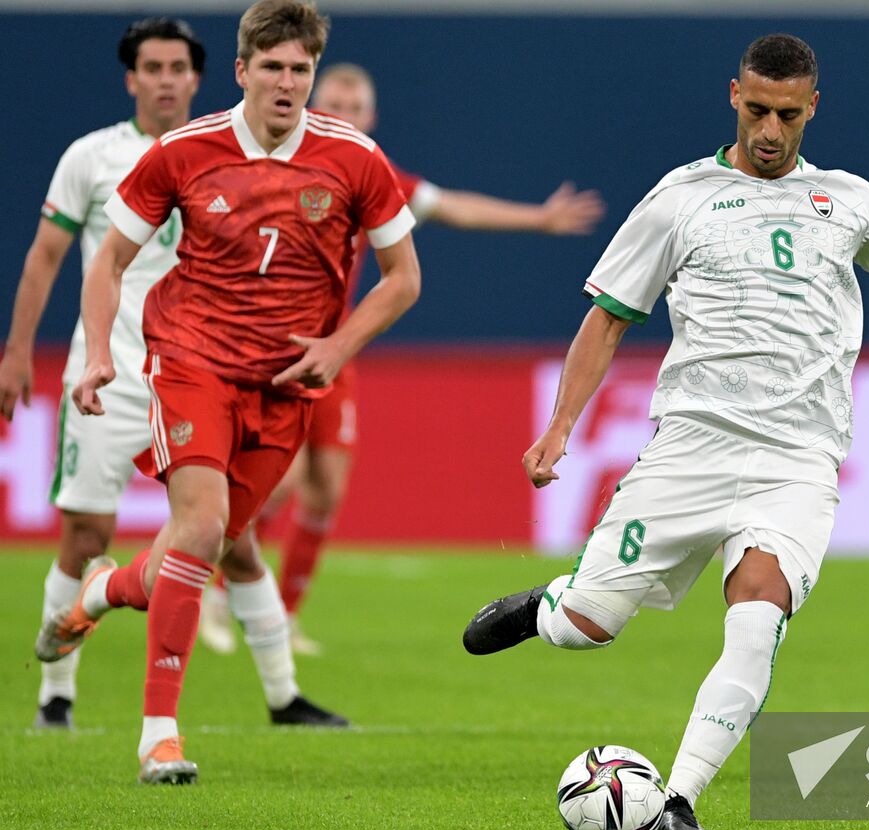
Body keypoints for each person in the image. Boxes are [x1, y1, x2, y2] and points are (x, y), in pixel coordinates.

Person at [462, 34, 869, 830]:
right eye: (755, 110)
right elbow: (609, 318)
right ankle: (549, 607)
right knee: (588, 627)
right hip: (691, 450)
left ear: (813, 107)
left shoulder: (849, 200)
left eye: (786, 114)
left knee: (759, 606)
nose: (769, 131)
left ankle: (679, 800)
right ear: (732, 95)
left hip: (797, 461)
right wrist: (561, 426)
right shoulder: (680, 197)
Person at [36, 0, 421, 784]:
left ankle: (101, 592)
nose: (287, 83)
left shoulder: (355, 158)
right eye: (272, 67)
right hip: (191, 366)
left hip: (284, 388)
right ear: (242, 70)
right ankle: (159, 735)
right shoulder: (185, 152)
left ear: (313, 73)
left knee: (196, 549)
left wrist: (339, 345)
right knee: (203, 524)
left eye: (300, 70)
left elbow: (405, 279)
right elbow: (107, 260)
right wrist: (98, 357)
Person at [2, 17, 342, 733]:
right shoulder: (92, 157)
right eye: (150, 67)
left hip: (200, 369)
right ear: (132, 79)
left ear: (201, 77)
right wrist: (17, 349)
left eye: (177, 68)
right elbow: (48, 257)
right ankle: (55, 698)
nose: (164, 80)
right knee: (88, 533)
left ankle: (283, 697)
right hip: (116, 369)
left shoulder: (236, 156)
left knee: (229, 535)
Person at [197, 61, 606, 657]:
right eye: (333, 102)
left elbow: (451, 206)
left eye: (355, 106)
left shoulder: (372, 174)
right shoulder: (278, 165)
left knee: (326, 490)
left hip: (338, 349)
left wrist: (538, 218)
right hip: (273, 351)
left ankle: (281, 619)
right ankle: (213, 592)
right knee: (275, 486)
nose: (343, 114)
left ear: (371, 118)